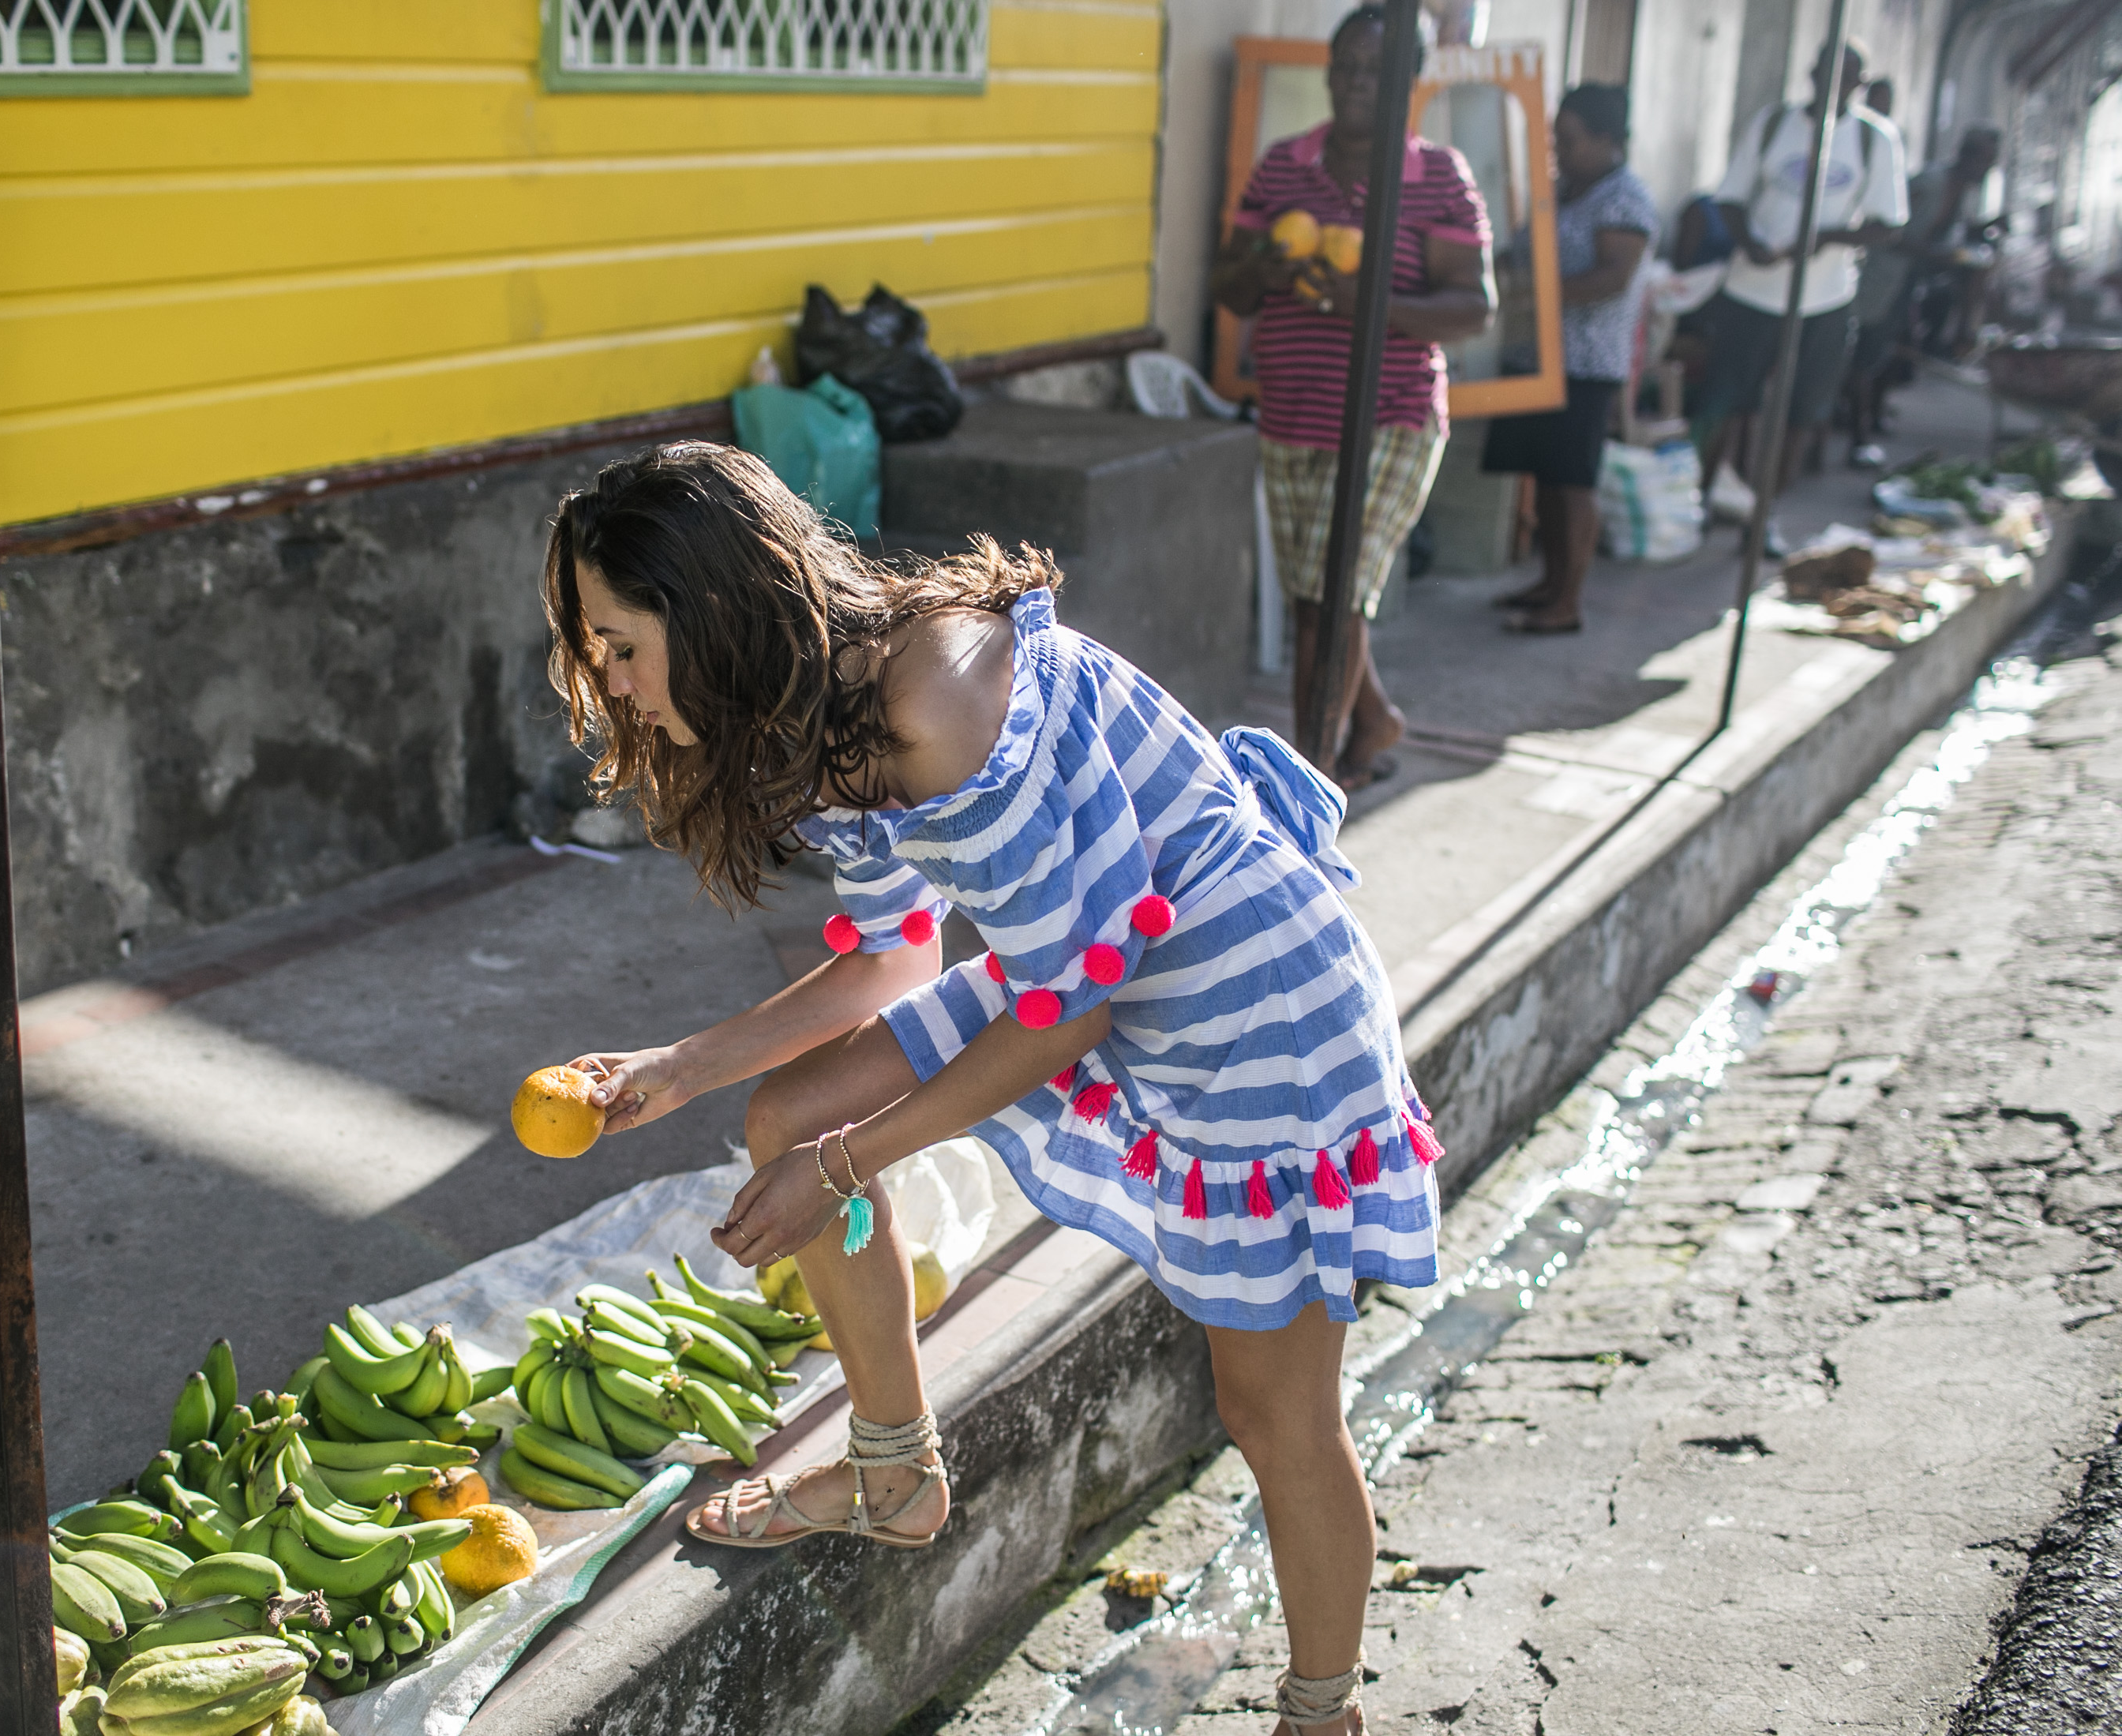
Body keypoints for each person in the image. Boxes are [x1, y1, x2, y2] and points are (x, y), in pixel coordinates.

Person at [543, 443, 1444, 1736]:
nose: (613, 685)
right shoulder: (834, 713)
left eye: (621, 644)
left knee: (1273, 1407)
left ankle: (1322, 1712)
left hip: (1251, 1002)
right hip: (1092, 959)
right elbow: (892, 960)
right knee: (782, 1113)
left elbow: (1060, 1019)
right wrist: (674, 1066)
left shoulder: (942, 699)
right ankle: (892, 1468)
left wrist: (844, 1168)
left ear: (710, 610)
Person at [1207, 5, 1494, 791]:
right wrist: (1263, 269)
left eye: (1377, 70)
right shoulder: (1281, 168)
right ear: (1327, 71)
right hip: (1291, 411)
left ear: (1410, 80)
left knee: (1330, 598)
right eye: (1346, 66)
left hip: (1389, 416)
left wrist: (1359, 299)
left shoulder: (1436, 175)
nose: (1358, 83)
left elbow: (1471, 307)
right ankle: (1372, 719)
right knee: (1319, 598)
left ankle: (1309, 777)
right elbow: (1227, 285)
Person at [1689, 40, 1907, 516]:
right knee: (1724, 403)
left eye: (1846, 76)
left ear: (1859, 84)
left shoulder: (1875, 140)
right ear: (1811, 72)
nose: (1834, 84)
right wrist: (1753, 244)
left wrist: (1829, 236)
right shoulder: (1773, 125)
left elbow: (1888, 224)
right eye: (1826, 72)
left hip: (1824, 299)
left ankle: (1764, 514)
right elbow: (1730, 199)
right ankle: (1700, 503)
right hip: (1752, 291)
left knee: (1801, 414)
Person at [1479, 84, 1657, 633]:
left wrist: (1539, 291)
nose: (1560, 150)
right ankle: (1549, 582)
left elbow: (1612, 277)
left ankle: (1568, 601)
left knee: (1573, 481)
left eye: (1571, 140)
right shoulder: (1559, 190)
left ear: (1607, 140)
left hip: (1584, 361)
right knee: (1546, 478)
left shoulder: (1624, 198)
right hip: (1535, 353)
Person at [1844, 127, 2000, 464]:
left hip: (1912, 280)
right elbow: (1889, 231)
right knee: (1867, 356)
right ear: (1968, 157)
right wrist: (1937, 254)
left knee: (1897, 349)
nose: (1987, 171)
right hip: (1884, 278)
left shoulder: (1963, 193)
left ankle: (1873, 417)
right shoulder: (1929, 184)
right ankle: (1856, 437)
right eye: (1985, 162)